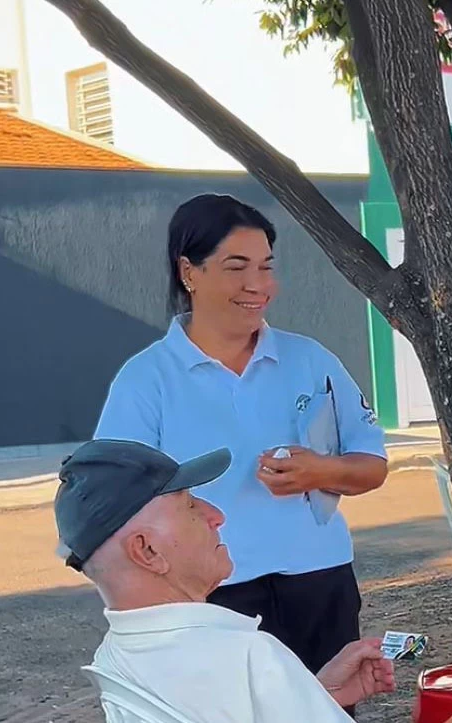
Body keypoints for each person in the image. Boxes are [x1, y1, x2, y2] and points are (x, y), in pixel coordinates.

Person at [54, 439, 452, 723]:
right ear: (146, 551)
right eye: (191, 507)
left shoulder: (120, 655)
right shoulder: (244, 660)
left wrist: (312, 694)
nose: (216, 515)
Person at [93, 194, 388, 683]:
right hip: (211, 594)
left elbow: (372, 464)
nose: (258, 286)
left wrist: (323, 470)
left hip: (319, 582)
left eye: (267, 267)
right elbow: (115, 502)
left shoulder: (310, 360)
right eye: (237, 267)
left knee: (329, 709)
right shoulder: (146, 379)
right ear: (189, 271)